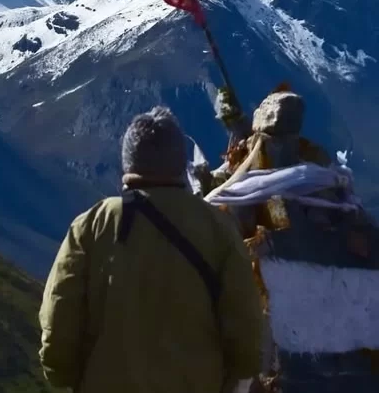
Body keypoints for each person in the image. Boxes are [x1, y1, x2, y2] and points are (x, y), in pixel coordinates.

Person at [39, 106, 263, 393]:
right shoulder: (219, 229)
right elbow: (246, 333)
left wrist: (67, 378)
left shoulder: (92, 226)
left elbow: (58, 320)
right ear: (181, 162)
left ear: (127, 161)